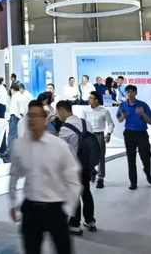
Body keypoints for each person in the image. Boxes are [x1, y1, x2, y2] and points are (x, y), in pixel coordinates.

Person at [8, 100, 81, 254]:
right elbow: (14, 175)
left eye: (36, 116)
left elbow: (73, 180)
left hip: (55, 208)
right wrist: (12, 202)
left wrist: (67, 209)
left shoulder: (59, 146)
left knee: (63, 249)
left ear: (45, 119)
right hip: (31, 209)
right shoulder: (20, 145)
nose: (32, 120)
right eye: (30, 116)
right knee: (31, 249)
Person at [56, 100, 95, 235]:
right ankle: (90, 221)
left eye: (58, 112)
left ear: (62, 110)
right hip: (87, 164)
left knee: (74, 193)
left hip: (73, 166)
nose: (58, 116)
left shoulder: (65, 128)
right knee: (86, 192)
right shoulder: (86, 123)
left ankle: (74, 224)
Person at [117, 84, 151, 189]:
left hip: (141, 134)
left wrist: (142, 114)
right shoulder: (122, 105)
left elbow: (150, 122)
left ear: (136, 93)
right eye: (128, 92)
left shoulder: (143, 105)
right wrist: (122, 117)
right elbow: (119, 119)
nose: (130, 93)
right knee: (131, 158)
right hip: (129, 133)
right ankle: (133, 182)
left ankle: (147, 171)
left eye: (132, 91)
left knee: (146, 156)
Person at [83, 91, 114, 189]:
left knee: (100, 156)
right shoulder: (85, 110)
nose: (89, 99)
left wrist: (109, 133)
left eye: (91, 98)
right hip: (88, 135)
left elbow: (110, 123)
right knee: (87, 155)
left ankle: (100, 178)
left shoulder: (104, 111)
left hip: (99, 134)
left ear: (96, 100)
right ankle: (92, 170)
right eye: (89, 97)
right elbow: (82, 121)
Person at [5, 82, 28, 161]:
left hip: (15, 116)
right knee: (18, 134)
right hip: (20, 117)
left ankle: (10, 151)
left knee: (12, 134)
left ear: (12, 89)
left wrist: (17, 116)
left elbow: (15, 108)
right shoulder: (22, 96)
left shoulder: (15, 96)